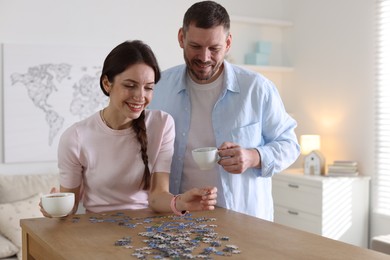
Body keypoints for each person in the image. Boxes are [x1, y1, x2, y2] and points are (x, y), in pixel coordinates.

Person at [148, 1, 300, 220]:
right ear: (181, 38)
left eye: (214, 48)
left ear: (228, 43)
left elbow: (290, 145)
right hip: (177, 221)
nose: (204, 57)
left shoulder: (257, 89)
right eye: (195, 46)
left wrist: (253, 156)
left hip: (244, 220)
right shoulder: (159, 88)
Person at [40, 40, 217, 217]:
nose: (140, 96)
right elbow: (70, 205)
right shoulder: (75, 137)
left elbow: (157, 196)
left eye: (148, 88)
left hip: (146, 230)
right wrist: (54, 208)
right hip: (96, 231)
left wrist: (180, 202)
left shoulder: (162, 124)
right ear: (107, 83)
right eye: (130, 86)